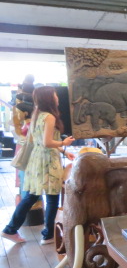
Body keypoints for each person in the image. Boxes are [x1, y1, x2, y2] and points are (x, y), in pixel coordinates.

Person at [2, 86, 75, 245]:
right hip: (47, 161)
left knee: (31, 196)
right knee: (52, 198)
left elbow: (41, 141)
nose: (57, 97)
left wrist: (64, 151)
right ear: (49, 98)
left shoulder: (37, 115)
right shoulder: (50, 117)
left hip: (37, 160)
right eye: (54, 95)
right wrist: (64, 143)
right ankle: (47, 235)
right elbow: (47, 142)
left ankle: (10, 229)